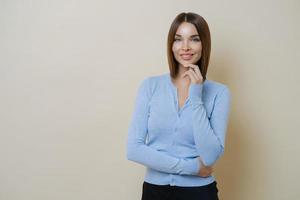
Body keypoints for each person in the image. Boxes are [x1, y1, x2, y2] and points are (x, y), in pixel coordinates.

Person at [126, 12, 231, 200]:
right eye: (178, 39)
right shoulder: (150, 86)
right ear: (171, 45)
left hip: (200, 193)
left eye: (194, 39)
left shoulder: (219, 93)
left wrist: (197, 96)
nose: (185, 47)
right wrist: (191, 168)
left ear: (204, 44)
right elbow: (134, 149)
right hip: (155, 191)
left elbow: (210, 156)